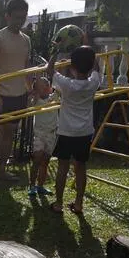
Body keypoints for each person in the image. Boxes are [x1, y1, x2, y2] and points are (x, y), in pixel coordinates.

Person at [45, 44, 102, 215]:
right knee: (80, 167)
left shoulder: (66, 83)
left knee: (63, 167)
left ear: (72, 66)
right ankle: (78, 204)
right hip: (84, 132)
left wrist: (55, 52)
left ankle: (59, 203)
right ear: (90, 66)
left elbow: (49, 70)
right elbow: (97, 69)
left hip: (66, 132)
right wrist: (90, 50)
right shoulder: (93, 83)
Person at [0, 0, 32, 182]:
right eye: (17, 17)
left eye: (23, 17)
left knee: (9, 135)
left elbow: (26, 68)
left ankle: (2, 171)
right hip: (1, 94)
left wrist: (30, 91)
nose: (20, 21)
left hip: (19, 95)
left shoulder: (26, 40)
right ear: (7, 16)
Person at [28, 76, 60, 199]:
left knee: (45, 161)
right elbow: (31, 100)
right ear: (37, 90)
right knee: (37, 159)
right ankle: (32, 186)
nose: (45, 88)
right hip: (40, 134)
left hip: (51, 133)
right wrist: (34, 86)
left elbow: (59, 85)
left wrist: (59, 69)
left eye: (46, 85)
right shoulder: (36, 100)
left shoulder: (54, 98)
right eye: (41, 86)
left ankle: (40, 186)